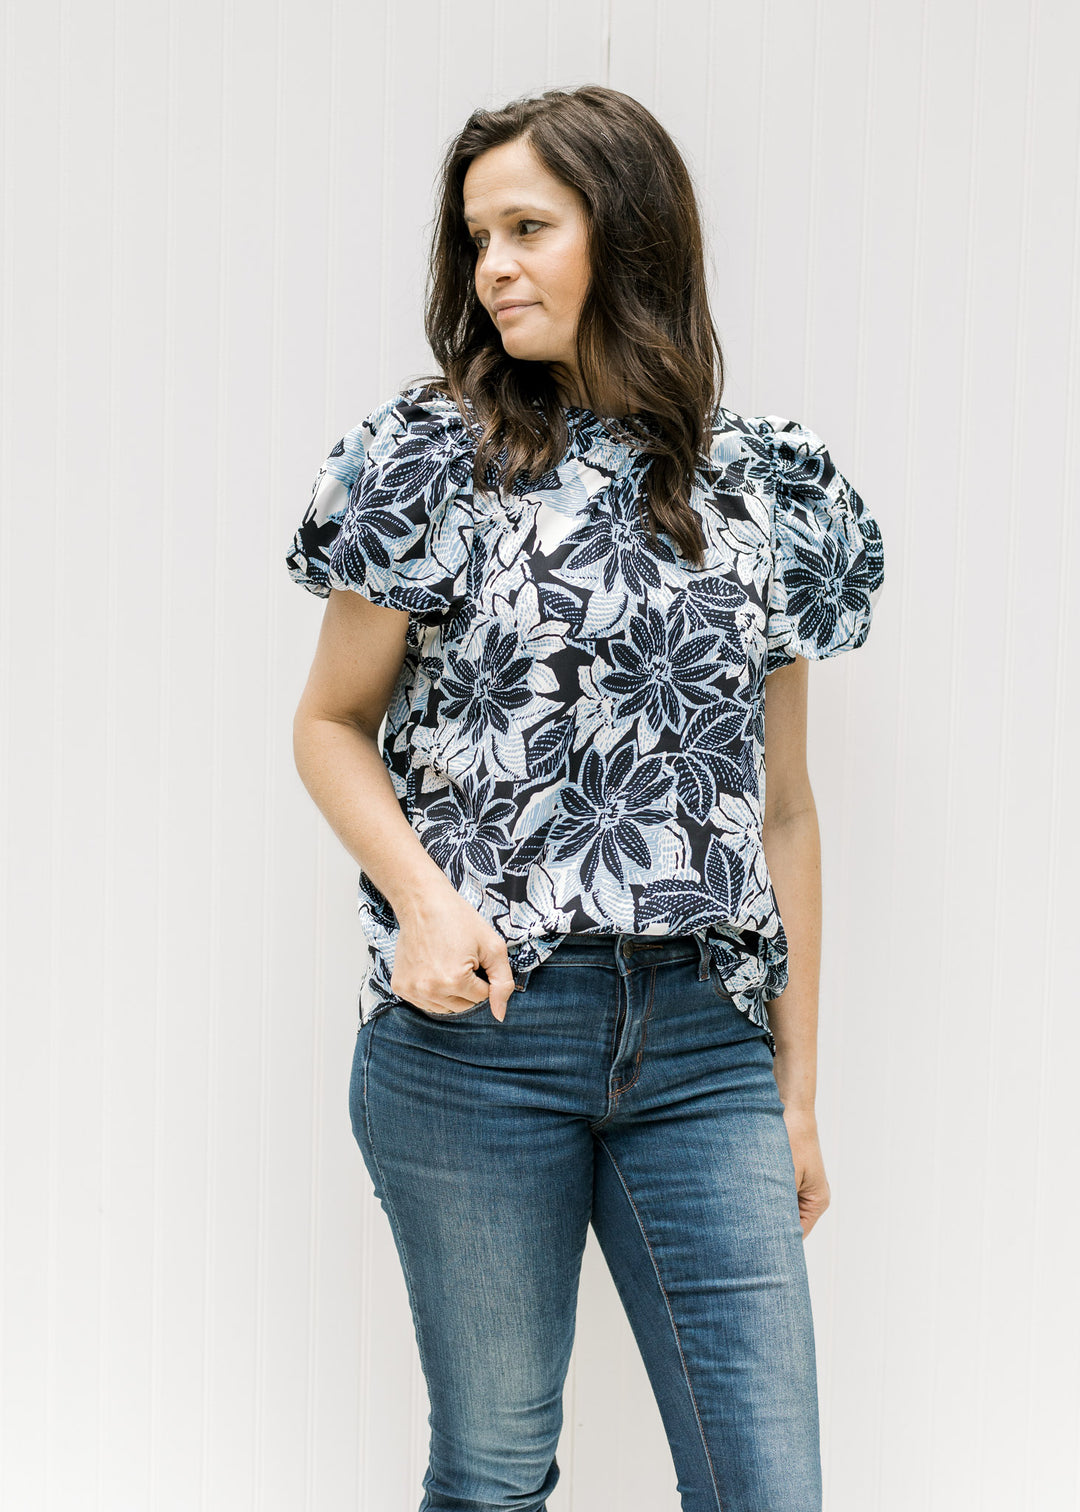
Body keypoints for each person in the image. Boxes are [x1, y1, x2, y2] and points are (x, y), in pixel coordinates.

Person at [286, 83, 884, 1512]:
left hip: (705, 1050)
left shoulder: (772, 487)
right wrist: (422, 905)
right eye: (476, 235)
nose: (492, 265)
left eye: (529, 227)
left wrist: (796, 1093)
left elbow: (782, 808)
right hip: (478, 1041)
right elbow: (327, 725)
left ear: (629, 233)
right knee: (495, 1468)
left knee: (768, 1487)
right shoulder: (426, 459)